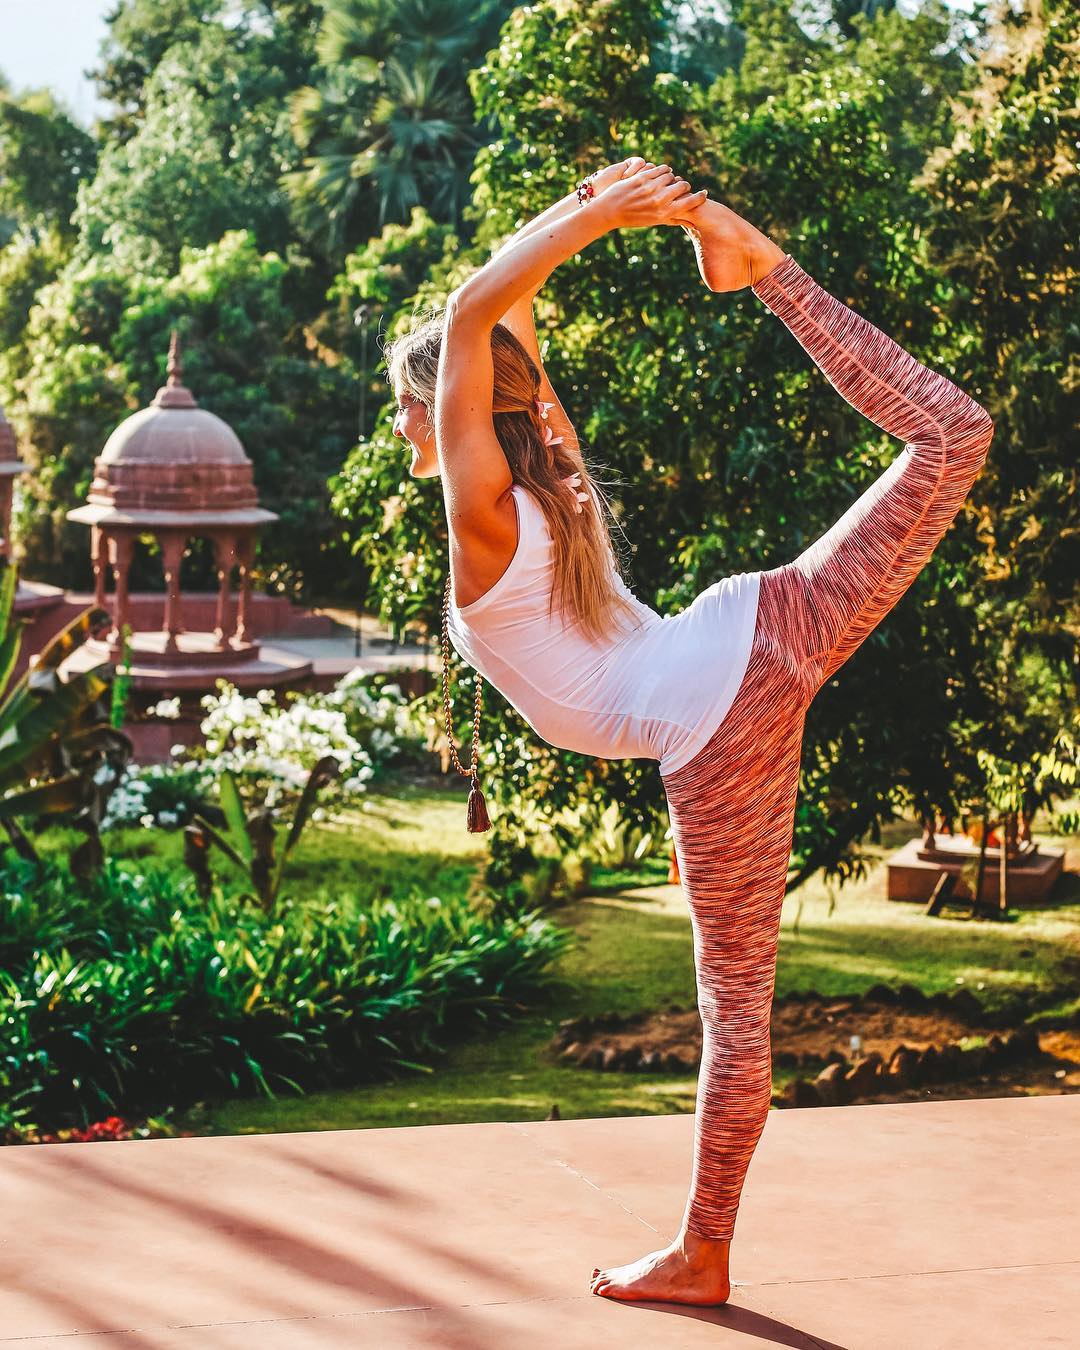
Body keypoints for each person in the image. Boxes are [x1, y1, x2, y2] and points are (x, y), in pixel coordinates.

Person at [385, 159, 994, 1307]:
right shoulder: (549, 478)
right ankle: (753, 262)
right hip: (738, 668)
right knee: (953, 439)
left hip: (720, 711)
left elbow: (477, 314)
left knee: (735, 1004)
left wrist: (597, 217)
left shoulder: (484, 518)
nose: (401, 421)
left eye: (408, 403)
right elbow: (499, 325)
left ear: (452, 409)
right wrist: (583, 219)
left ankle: (704, 1253)